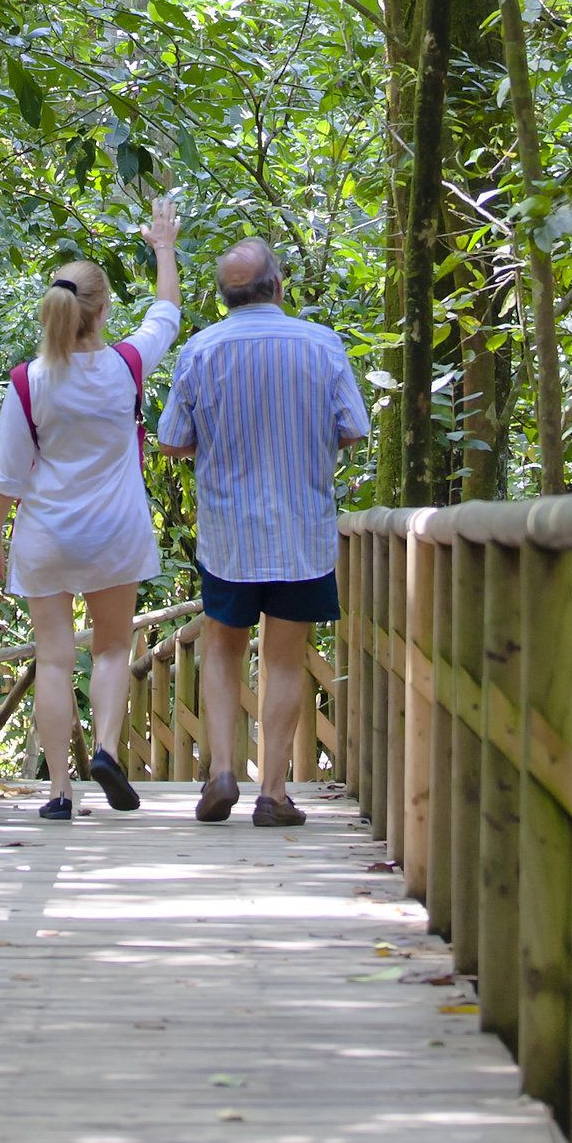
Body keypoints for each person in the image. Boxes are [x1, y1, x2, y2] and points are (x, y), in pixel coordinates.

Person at [152, 235, 367, 826]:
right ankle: (273, 792)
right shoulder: (321, 345)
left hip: (229, 534)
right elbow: (352, 428)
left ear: (224, 298)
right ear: (278, 285)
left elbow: (171, 440)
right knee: (287, 655)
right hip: (302, 529)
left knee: (222, 646)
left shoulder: (201, 350)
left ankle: (222, 768)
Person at [0, 195, 183, 821]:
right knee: (112, 648)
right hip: (114, 533)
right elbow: (167, 314)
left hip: (46, 535)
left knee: (54, 655)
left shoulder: (28, 381)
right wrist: (164, 246)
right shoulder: (126, 364)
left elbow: (9, 476)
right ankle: (103, 749)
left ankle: (58, 792)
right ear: (102, 311)